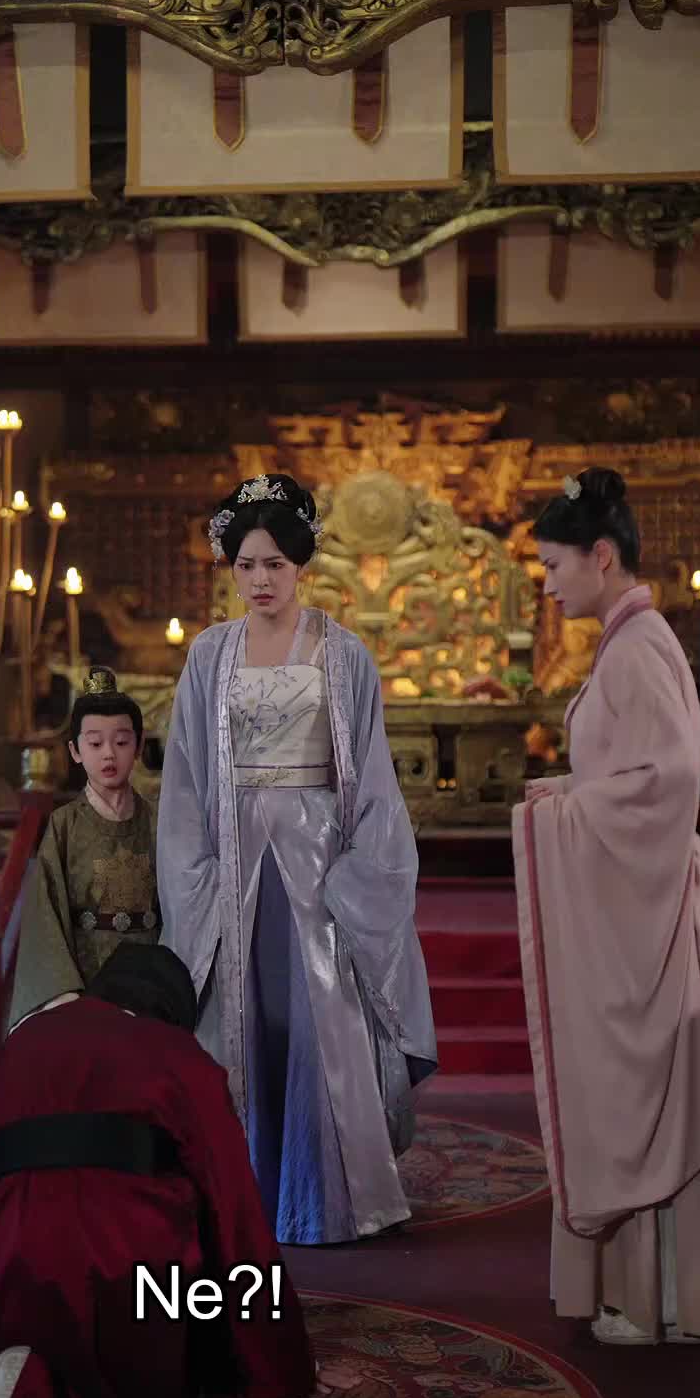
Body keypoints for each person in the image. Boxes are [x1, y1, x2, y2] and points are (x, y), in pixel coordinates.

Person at [0, 943, 316, 1398]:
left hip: (10, 1262)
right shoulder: (180, 1057)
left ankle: (21, 1361)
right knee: (165, 1331)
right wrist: (280, 1360)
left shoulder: (22, 1042)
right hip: (130, 1277)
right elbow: (236, 1211)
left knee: (25, 1242)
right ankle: (95, 1380)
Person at [156, 474, 437, 1246]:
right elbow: (185, 778)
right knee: (245, 1018)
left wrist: (359, 872)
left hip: (317, 863)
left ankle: (328, 1198)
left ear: (301, 565)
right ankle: (243, 1193)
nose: (260, 580)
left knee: (322, 1024)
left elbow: (372, 775)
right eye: (246, 565)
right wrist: (196, 870)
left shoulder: (343, 654)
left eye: (275, 565)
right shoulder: (209, 655)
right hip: (235, 860)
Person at [513, 466, 700, 1345]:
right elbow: (636, 772)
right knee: (641, 1087)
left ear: (600, 556)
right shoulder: (629, 641)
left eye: (553, 564)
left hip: (655, 905)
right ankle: (656, 1293)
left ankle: (659, 1301)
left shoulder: (639, 646)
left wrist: (567, 810)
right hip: (645, 895)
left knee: (646, 1090)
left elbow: (665, 781)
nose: (547, 583)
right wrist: (573, 791)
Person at [6, 667, 158, 1030]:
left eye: (121, 742)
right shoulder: (64, 826)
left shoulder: (159, 822)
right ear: (75, 750)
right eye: (95, 744)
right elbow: (45, 915)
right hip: (84, 978)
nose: (109, 755)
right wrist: (65, 994)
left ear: (138, 746)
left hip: (151, 977)